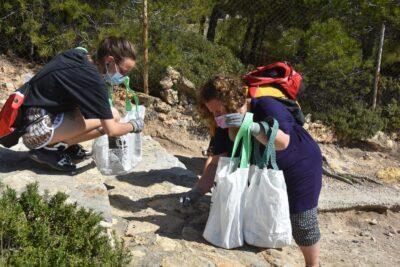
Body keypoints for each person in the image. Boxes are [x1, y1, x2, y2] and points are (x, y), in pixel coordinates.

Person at [181, 75, 323, 267]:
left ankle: (312, 264)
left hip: (300, 165)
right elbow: (216, 163)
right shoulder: (224, 124)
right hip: (266, 171)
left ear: (232, 101)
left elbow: (283, 142)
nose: (216, 117)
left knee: (302, 222)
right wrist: (197, 191)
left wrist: (252, 126)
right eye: (212, 112)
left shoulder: (266, 106)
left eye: (219, 110)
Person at [21, 36, 144, 172]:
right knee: (113, 117)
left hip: (27, 119)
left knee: (102, 113)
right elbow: (112, 130)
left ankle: (63, 144)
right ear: (109, 60)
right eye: (123, 71)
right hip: (35, 133)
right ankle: (49, 150)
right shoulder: (95, 81)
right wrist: (134, 125)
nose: (124, 77)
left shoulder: (78, 55)